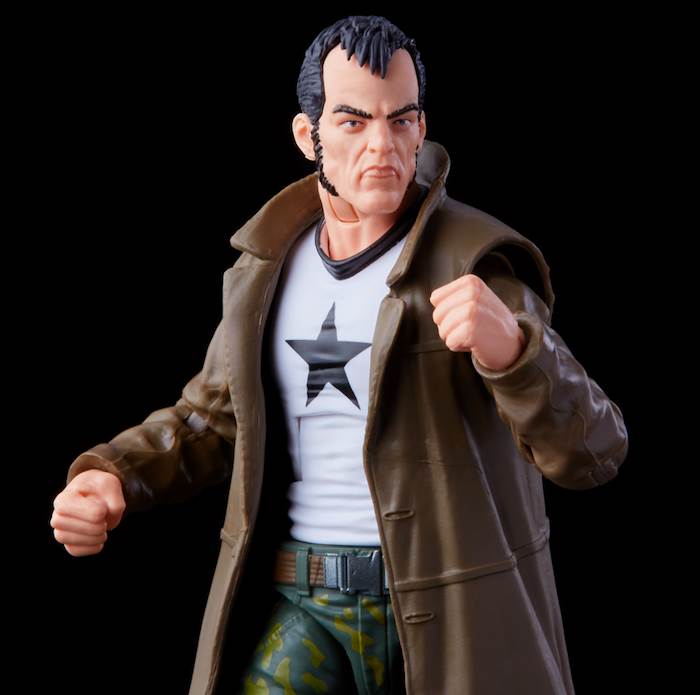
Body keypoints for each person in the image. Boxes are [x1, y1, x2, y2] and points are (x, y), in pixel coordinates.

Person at [50, 16, 628, 695]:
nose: (382, 145)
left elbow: (595, 449)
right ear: (309, 136)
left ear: (421, 127)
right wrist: (115, 474)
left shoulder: (474, 262)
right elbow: (210, 419)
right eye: (353, 122)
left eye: (401, 120)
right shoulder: (266, 273)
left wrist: (517, 352)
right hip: (305, 601)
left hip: (448, 611)